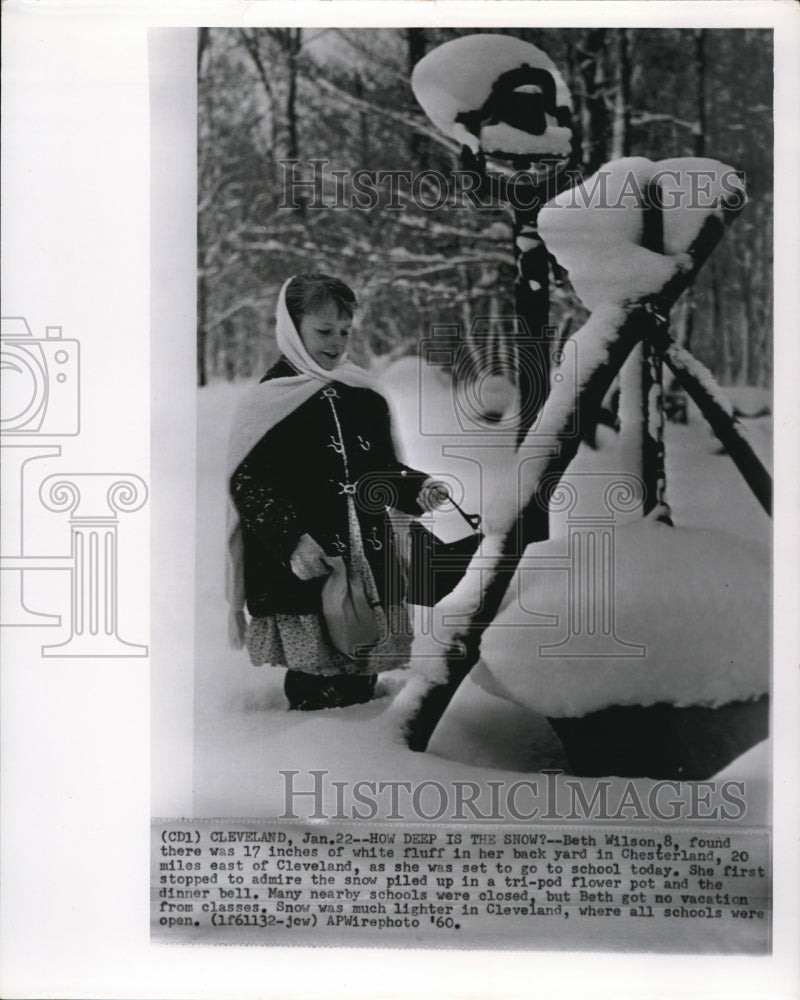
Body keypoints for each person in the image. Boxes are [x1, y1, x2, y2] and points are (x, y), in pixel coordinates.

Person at [226, 273, 443, 711]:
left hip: (365, 546)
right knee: (314, 663)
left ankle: (365, 719)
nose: (337, 342)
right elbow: (248, 485)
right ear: (292, 328)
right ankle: (313, 733)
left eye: (344, 331)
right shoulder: (268, 402)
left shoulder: (363, 395)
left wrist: (417, 488)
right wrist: (291, 542)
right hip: (307, 554)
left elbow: (379, 469)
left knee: (362, 648)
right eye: (324, 331)